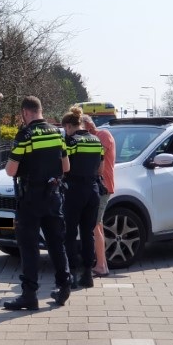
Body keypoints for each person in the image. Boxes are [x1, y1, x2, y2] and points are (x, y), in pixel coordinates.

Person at [4, 96, 72, 310]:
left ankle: (29, 295)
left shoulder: (25, 135)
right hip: (53, 197)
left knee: (29, 247)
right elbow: (66, 167)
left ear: (25, 113)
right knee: (56, 244)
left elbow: (10, 171)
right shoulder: (57, 133)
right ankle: (64, 287)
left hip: (30, 199)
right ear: (40, 110)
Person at [61, 107, 104, 289]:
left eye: (65, 129)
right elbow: (101, 169)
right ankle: (88, 274)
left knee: (70, 233)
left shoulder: (71, 142)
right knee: (88, 233)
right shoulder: (96, 141)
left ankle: (71, 274)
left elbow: (65, 167)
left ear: (70, 126)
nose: (65, 132)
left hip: (74, 191)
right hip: (93, 190)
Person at [84, 114, 115, 277]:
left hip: (103, 186)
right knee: (98, 224)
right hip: (99, 186)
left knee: (95, 225)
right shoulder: (95, 137)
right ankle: (101, 264)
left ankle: (102, 266)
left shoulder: (103, 135)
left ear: (88, 125)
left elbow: (98, 162)